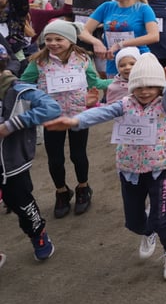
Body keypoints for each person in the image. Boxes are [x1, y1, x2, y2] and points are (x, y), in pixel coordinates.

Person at [44, 54, 166, 280]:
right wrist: (74, 121)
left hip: (160, 169)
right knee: (135, 221)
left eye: (151, 86)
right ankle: (147, 231)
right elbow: (101, 113)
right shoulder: (125, 104)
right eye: (139, 86)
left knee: (161, 217)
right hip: (129, 170)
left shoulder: (165, 106)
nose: (145, 91)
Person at [21, 20, 111, 218]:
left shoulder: (82, 59)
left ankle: (83, 188)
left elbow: (95, 82)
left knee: (78, 154)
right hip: (52, 117)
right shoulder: (39, 62)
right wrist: (38, 98)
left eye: (58, 39)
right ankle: (61, 192)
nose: (53, 43)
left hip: (79, 115)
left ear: (70, 40)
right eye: (49, 39)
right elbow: (23, 85)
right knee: (55, 158)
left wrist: (120, 81)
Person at [0, 43, 61, 261]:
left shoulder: (18, 90)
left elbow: (52, 108)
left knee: (22, 204)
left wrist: (11, 125)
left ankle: (38, 234)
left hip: (11, 162)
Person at [80, 0, 160, 77]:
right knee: (114, 91)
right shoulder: (106, 7)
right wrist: (96, 42)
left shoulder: (143, 9)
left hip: (137, 59)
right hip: (114, 60)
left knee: (141, 92)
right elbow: (83, 31)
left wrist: (121, 44)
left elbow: (154, 36)